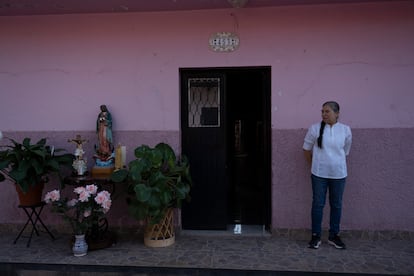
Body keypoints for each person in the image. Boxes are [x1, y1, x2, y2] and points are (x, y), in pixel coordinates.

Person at [303, 101, 352, 249]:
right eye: (322, 111)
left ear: (337, 113)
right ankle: (316, 236)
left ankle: (333, 235)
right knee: (318, 204)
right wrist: (313, 165)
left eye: (327, 111)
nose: (324, 114)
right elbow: (306, 148)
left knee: (336, 204)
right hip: (319, 174)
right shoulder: (315, 128)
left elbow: (346, 151)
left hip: (339, 174)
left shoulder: (345, 130)